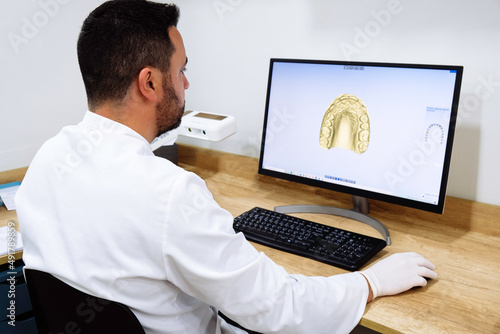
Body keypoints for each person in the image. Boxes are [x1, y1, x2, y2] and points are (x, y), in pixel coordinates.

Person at [15, 1, 437, 333]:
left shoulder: (47, 161)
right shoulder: (168, 193)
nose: (186, 85)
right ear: (149, 82)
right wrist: (372, 282)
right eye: (181, 71)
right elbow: (278, 309)